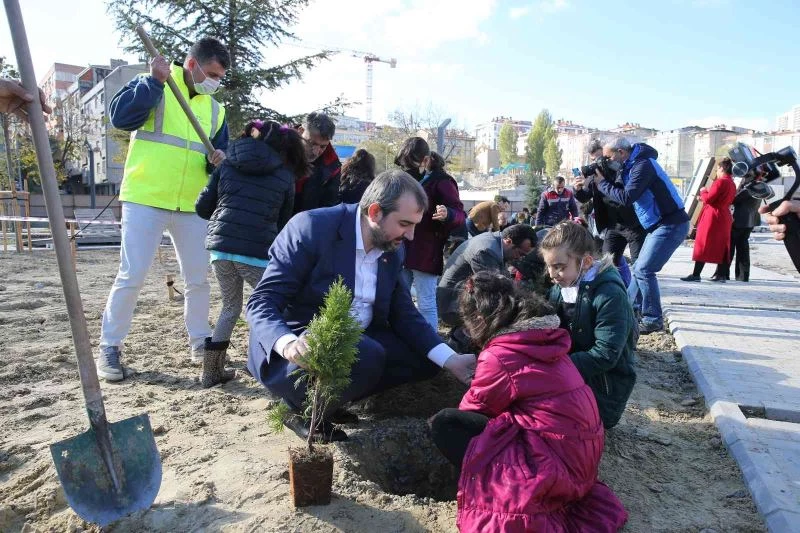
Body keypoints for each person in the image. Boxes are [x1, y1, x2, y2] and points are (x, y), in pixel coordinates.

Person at [245, 170, 477, 442]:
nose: (411, 236)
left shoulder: (392, 248)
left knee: (425, 360)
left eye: (415, 225)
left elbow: (404, 313)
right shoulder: (312, 228)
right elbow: (261, 301)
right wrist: (288, 344)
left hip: (362, 340)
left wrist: (451, 359)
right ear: (375, 212)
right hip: (302, 344)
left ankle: (336, 399)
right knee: (368, 353)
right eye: (404, 223)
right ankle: (299, 407)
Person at [429, 271, 628, 532]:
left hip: (553, 466)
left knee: (445, 423)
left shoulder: (500, 354)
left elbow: (474, 409)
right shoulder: (545, 335)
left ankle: (482, 484)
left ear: (479, 319)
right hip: (581, 459)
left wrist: (476, 377)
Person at [96, 38, 230, 381]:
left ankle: (200, 343)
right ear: (192, 64)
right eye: (212, 73)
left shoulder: (216, 111)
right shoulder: (155, 83)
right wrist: (154, 82)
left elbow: (217, 160)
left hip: (192, 205)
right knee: (132, 275)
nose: (215, 81)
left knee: (198, 279)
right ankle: (110, 347)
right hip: (146, 197)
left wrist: (218, 160)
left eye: (220, 77)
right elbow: (121, 118)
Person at [195, 120, 303, 387]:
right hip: (256, 252)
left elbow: (202, 207)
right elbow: (283, 223)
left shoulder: (227, 164)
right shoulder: (285, 176)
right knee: (272, 306)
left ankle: (211, 373)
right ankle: (267, 362)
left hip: (221, 250)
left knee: (230, 307)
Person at [540, 221, 637, 428]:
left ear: (586, 262)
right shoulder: (562, 286)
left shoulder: (609, 294)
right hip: (569, 373)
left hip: (602, 389)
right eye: (548, 266)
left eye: (559, 267)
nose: (552, 274)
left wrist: (553, 369)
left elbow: (605, 353)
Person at [594, 137, 690, 334]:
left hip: (670, 223)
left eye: (608, 157)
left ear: (621, 152)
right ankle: (628, 309)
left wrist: (602, 184)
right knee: (639, 268)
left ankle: (653, 319)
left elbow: (627, 197)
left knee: (644, 270)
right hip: (658, 224)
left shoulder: (643, 165)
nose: (607, 161)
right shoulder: (630, 166)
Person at [437, 224, 538, 350]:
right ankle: (459, 346)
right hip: (451, 305)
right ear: (508, 241)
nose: (519, 258)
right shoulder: (486, 251)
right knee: (500, 308)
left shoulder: (495, 243)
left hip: (458, 296)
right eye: (520, 253)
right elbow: (496, 289)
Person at [399, 148, 465, 329]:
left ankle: (431, 339)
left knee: (426, 301)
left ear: (426, 160)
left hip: (426, 250)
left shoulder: (443, 182)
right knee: (400, 297)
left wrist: (448, 213)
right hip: (404, 246)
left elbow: (460, 213)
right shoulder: (411, 178)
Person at [575, 139, 647, 267]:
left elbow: (626, 197)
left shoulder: (625, 170)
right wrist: (577, 189)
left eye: (602, 158)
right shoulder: (596, 174)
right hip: (613, 226)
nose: (599, 162)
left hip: (634, 225)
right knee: (607, 265)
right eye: (594, 160)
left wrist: (604, 182)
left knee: (639, 267)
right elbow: (584, 197)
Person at [681, 157, 737, 282]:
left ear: (721, 168)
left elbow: (709, 199)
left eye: (717, 169)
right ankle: (721, 275)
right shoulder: (732, 183)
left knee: (703, 243)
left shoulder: (720, 182)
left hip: (713, 216)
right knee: (723, 245)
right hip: (724, 216)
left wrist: (703, 191)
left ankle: (696, 274)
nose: (717, 171)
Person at [713, 179, 764, 282]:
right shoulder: (761, 186)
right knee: (743, 248)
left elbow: (732, 200)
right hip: (750, 221)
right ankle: (743, 276)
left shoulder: (747, 189)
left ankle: (722, 273)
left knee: (729, 248)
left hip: (739, 221)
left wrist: (737, 188)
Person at [294, 112, 341, 213]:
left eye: (323, 147)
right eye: (311, 143)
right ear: (300, 131)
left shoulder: (333, 167)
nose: (316, 152)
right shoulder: (278, 148)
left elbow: (328, 209)